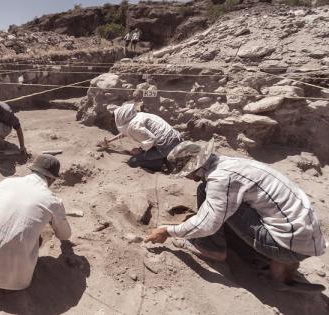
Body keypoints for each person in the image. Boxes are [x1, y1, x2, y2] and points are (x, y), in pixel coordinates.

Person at [145, 140, 327, 291]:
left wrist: (168, 232)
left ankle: (212, 249)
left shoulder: (221, 179)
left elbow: (208, 224)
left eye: (184, 173)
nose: (185, 177)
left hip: (288, 246)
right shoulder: (230, 164)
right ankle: (277, 266)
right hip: (305, 239)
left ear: (194, 168)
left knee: (212, 198)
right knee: (216, 195)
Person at [0, 154, 72, 290]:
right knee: (34, 235)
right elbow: (65, 236)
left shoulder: (7, 183)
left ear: (33, 170)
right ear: (51, 179)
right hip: (19, 282)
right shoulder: (54, 202)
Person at [101, 102, 182, 172]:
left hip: (166, 146)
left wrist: (139, 150)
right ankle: (160, 157)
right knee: (144, 153)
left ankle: (160, 162)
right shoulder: (137, 116)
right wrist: (110, 140)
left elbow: (150, 140)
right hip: (173, 139)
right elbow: (126, 131)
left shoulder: (134, 125)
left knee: (133, 161)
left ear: (120, 119)